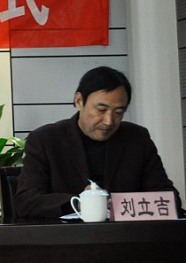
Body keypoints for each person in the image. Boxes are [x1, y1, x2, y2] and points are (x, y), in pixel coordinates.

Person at [13, 66, 181, 218]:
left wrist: (121, 204)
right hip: (66, 238)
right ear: (79, 101)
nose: (109, 121)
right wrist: (81, 202)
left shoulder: (137, 139)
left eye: (118, 112)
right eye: (101, 110)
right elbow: (26, 201)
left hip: (126, 237)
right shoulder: (46, 140)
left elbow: (168, 198)